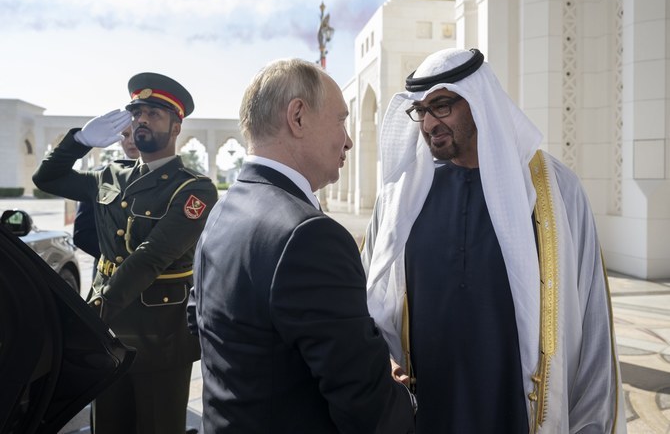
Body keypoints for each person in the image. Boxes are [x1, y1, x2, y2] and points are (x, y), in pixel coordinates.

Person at [361, 48, 626, 433]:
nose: (429, 123)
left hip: (517, 411)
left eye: (442, 106)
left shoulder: (555, 192)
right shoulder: (399, 198)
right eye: (421, 110)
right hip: (429, 410)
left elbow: (593, 321)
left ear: (479, 102)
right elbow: (368, 301)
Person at [187, 58, 416, 433]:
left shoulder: (223, 208)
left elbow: (201, 322)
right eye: (341, 120)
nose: (349, 139)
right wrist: (406, 399)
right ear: (297, 117)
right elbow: (366, 406)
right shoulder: (308, 235)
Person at [33, 72, 218, 434]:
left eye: (155, 113)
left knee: (155, 427)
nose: (142, 120)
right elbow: (47, 178)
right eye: (138, 113)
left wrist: (89, 317)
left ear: (177, 126)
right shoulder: (109, 176)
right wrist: (80, 140)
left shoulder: (195, 188)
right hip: (108, 336)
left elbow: (151, 256)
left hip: (158, 335)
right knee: (108, 426)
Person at [73, 126, 140, 279]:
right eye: (125, 135)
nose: (130, 141)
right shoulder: (101, 176)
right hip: (109, 278)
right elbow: (82, 234)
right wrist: (120, 260)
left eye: (136, 133)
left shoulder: (172, 179)